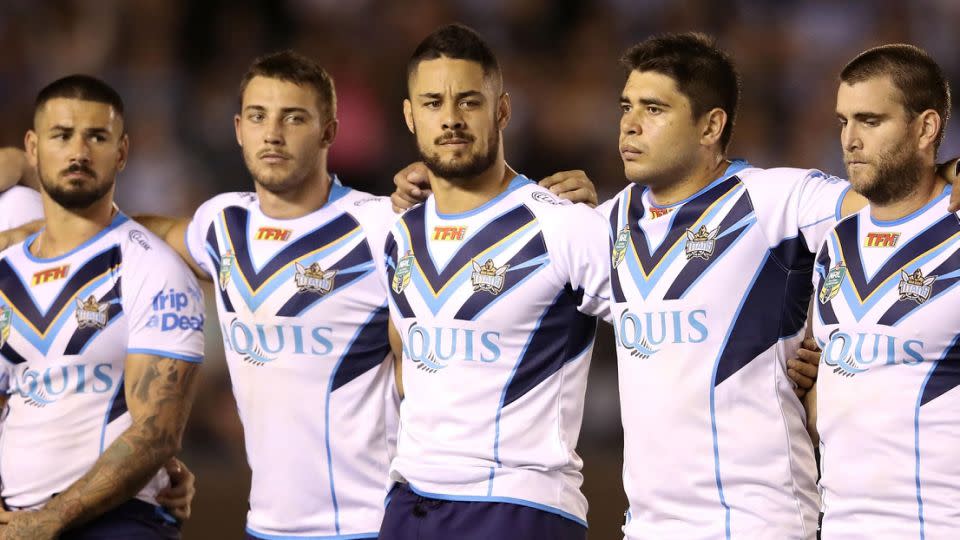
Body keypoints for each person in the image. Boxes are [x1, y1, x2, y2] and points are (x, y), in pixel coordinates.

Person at [378, 23, 610, 540]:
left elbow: (662, 317)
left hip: (516, 505)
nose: (452, 120)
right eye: (433, 103)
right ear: (410, 115)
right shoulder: (400, 231)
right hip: (408, 504)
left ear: (502, 110)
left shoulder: (564, 224)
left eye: (469, 102)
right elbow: (407, 361)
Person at [0, 75, 203, 539]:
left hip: (116, 522)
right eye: (62, 135)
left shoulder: (152, 267)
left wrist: (49, 521)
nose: (79, 152)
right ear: (33, 147)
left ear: (123, 152)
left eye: (97, 136)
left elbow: (156, 434)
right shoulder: (7, 266)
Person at [812, 43, 959, 539]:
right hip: (838, 526)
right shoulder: (835, 242)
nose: (850, 140)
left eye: (870, 121)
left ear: (926, 128)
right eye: (843, 121)